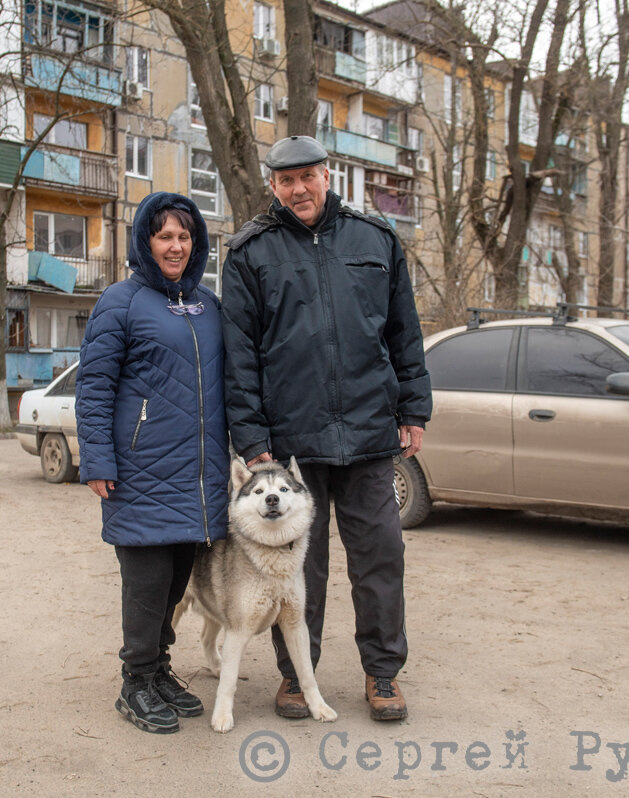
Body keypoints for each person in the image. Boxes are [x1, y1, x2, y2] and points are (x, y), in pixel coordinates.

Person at [221, 135, 432, 722]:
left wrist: (413, 409)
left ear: (327, 175)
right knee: (296, 569)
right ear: (273, 186)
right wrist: (253, 439)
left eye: (308, 177)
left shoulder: (376, 240)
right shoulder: (250, 253)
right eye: (286, 181)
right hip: (291, 444)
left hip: (368, 432)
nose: (299, 189)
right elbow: (238, 355)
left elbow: (403, 334)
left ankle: (383, 674)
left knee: (380, 557)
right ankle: (295, 676)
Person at [75, 192, 228, 734]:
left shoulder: (207, 305)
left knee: (176, 579)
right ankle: (135, 680)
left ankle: (160, 669)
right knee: (147, 580)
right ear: (145, 240)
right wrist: (97, 458)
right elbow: (93, 386)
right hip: (139, 469)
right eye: (165, 236)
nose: (176, 246)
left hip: (195, 474)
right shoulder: (120, 301)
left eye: (185, 236)